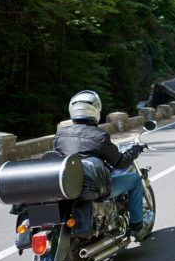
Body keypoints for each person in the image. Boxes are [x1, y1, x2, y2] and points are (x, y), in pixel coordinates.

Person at [54, 90, 153, 241]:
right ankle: (137, 226)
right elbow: (120, 163)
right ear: (95, 111)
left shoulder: (60, 135)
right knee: (134, 180)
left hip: (68, 186)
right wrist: (135, 149)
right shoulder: (98, 136)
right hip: (92, 186)